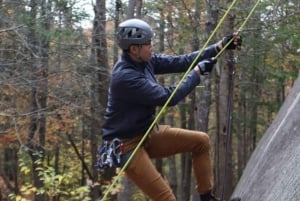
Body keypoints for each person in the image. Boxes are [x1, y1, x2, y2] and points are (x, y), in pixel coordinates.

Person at [100, 18, 242, 201]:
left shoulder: (145, 60)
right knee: (167, 198)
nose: (152, 46)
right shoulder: (125, 77)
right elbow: (168, 97)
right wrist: (197, 73)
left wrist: (219, 46)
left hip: (146, 134)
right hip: (125, 147)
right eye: (148, 43)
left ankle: (207, 199)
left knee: (201, 141)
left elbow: (181, 62)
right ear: (134, 49)